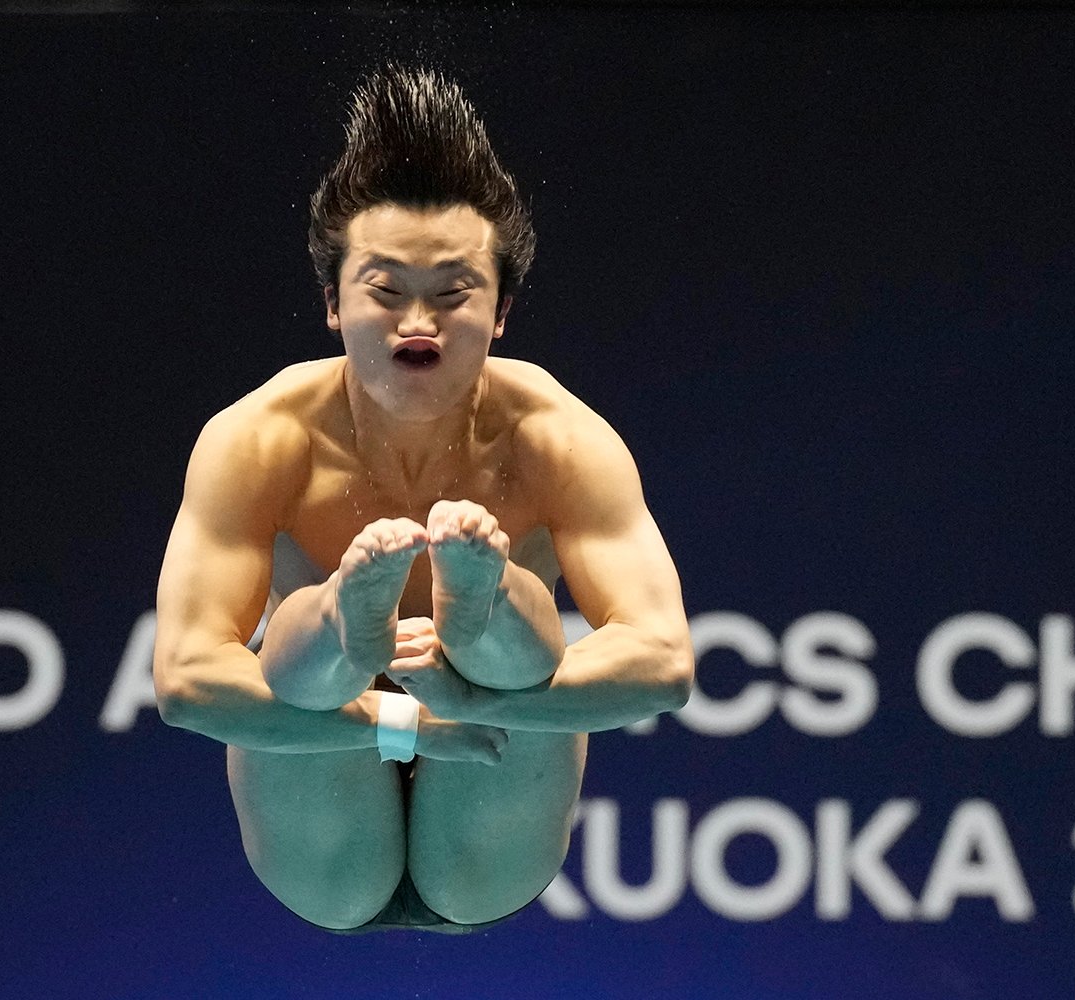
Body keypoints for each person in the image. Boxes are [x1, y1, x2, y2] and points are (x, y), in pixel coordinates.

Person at [153, 64, 693, 934]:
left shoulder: (558, 438)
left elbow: (664, 663)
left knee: (518, 639)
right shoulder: (260, 438)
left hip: (489, 806)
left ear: (502, 310)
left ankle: (477, 614)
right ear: (332, 303)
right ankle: (342, 616)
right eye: (385, 289)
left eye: (453, 293)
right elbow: (184, 681)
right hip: (323, 807)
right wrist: (400, 721)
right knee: (303, 646)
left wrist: (480, 702)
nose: (418, 321)